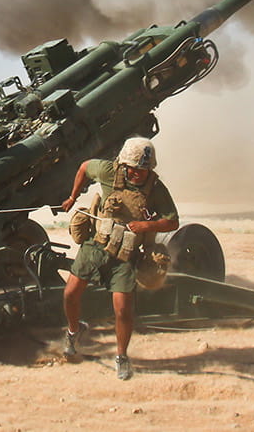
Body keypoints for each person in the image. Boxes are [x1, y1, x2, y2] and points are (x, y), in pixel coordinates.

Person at [59, 137, 179, 380]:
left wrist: (146, 225)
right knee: (70, 293)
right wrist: (73, 196)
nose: (136, 173)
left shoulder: (156, 189)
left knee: (123, 310)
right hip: (96, 245)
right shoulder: (108, 171)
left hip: (126, 253)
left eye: (142, 170)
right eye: (132, 168)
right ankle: (74, 332)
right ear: (124, 164)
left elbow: (172, 220)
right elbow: (84, 167)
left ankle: (121, 357)